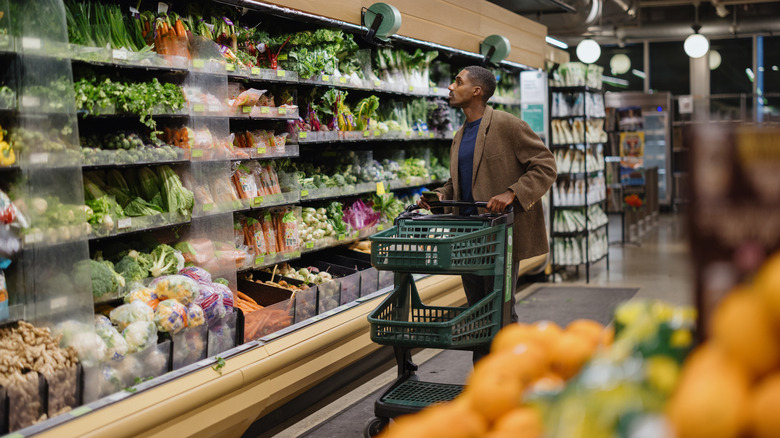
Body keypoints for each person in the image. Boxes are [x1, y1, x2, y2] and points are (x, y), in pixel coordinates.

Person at [418, 65, 557, 362]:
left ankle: (511, 372)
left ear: (476, 91)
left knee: (500, 311)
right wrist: (440, 196)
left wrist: (512, 193)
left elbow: (546, 165)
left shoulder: (507, 125)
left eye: (458, 81)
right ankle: (485, 375)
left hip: (499, 235)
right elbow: (458, 184)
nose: (450, 87)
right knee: (477, 311)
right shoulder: (460, 135)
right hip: (467, 235)